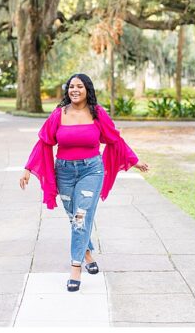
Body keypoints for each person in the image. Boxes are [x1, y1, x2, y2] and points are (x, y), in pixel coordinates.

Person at [20, 73, 148, 292]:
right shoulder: (58, 114)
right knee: (74, 217)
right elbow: (44, 142)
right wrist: (27, 169)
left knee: (81, 217)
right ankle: (87, 254)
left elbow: (114, 139)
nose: (75, 90)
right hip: (65, 172)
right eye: (71, 86)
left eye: (79, 86)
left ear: (88, 89)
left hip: (91, 171)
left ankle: (75, 267)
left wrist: (133, 160)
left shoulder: (97, 114)